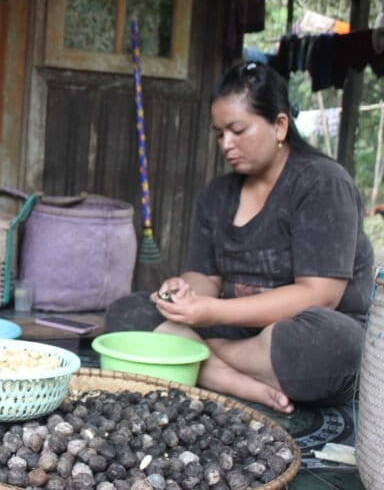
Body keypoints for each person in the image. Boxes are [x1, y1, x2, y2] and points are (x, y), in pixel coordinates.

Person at [107, 62, 373, 414]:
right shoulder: (217, 194)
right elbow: (205, 277)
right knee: (127, 312)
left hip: (297, 335)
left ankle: (198, 360)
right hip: (239, 332)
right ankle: (233, 381)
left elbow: (320, 295)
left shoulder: (323, 183)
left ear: (280, 126)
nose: (226, 144)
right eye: (220, 134)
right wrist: (184, 293)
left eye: (238, 130)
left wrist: (210, 313)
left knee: (332, 346)